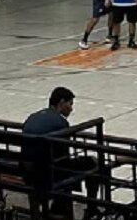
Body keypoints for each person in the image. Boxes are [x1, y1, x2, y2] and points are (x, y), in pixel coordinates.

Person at [22, 87, 101, 220]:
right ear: (62, 102)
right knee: (94, 164)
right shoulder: (60, 122)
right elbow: (64, 156)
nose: (71, 109)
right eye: (70, 104)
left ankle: (59, 204)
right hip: (47, 174)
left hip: (28, 171)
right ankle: (91, 209)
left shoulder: (33, 117)